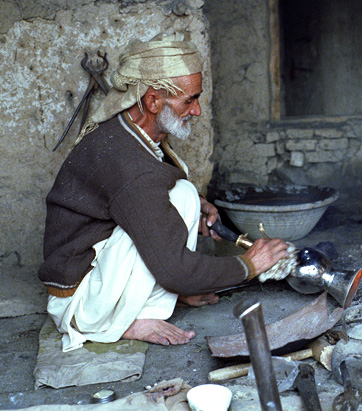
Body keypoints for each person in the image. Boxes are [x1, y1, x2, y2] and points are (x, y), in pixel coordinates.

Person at [39, 33, 290, 352]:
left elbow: (149, 190)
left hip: (91, 268)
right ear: (153, 100)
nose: (197, 111)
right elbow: (174, 267)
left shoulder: (128, 132)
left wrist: (194, 203)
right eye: (190, 99)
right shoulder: (130, 165)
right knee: (173, 219)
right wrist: (249, 265)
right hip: (80, 300)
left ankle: (146, 301)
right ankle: (121, 320)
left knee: (183, 194)